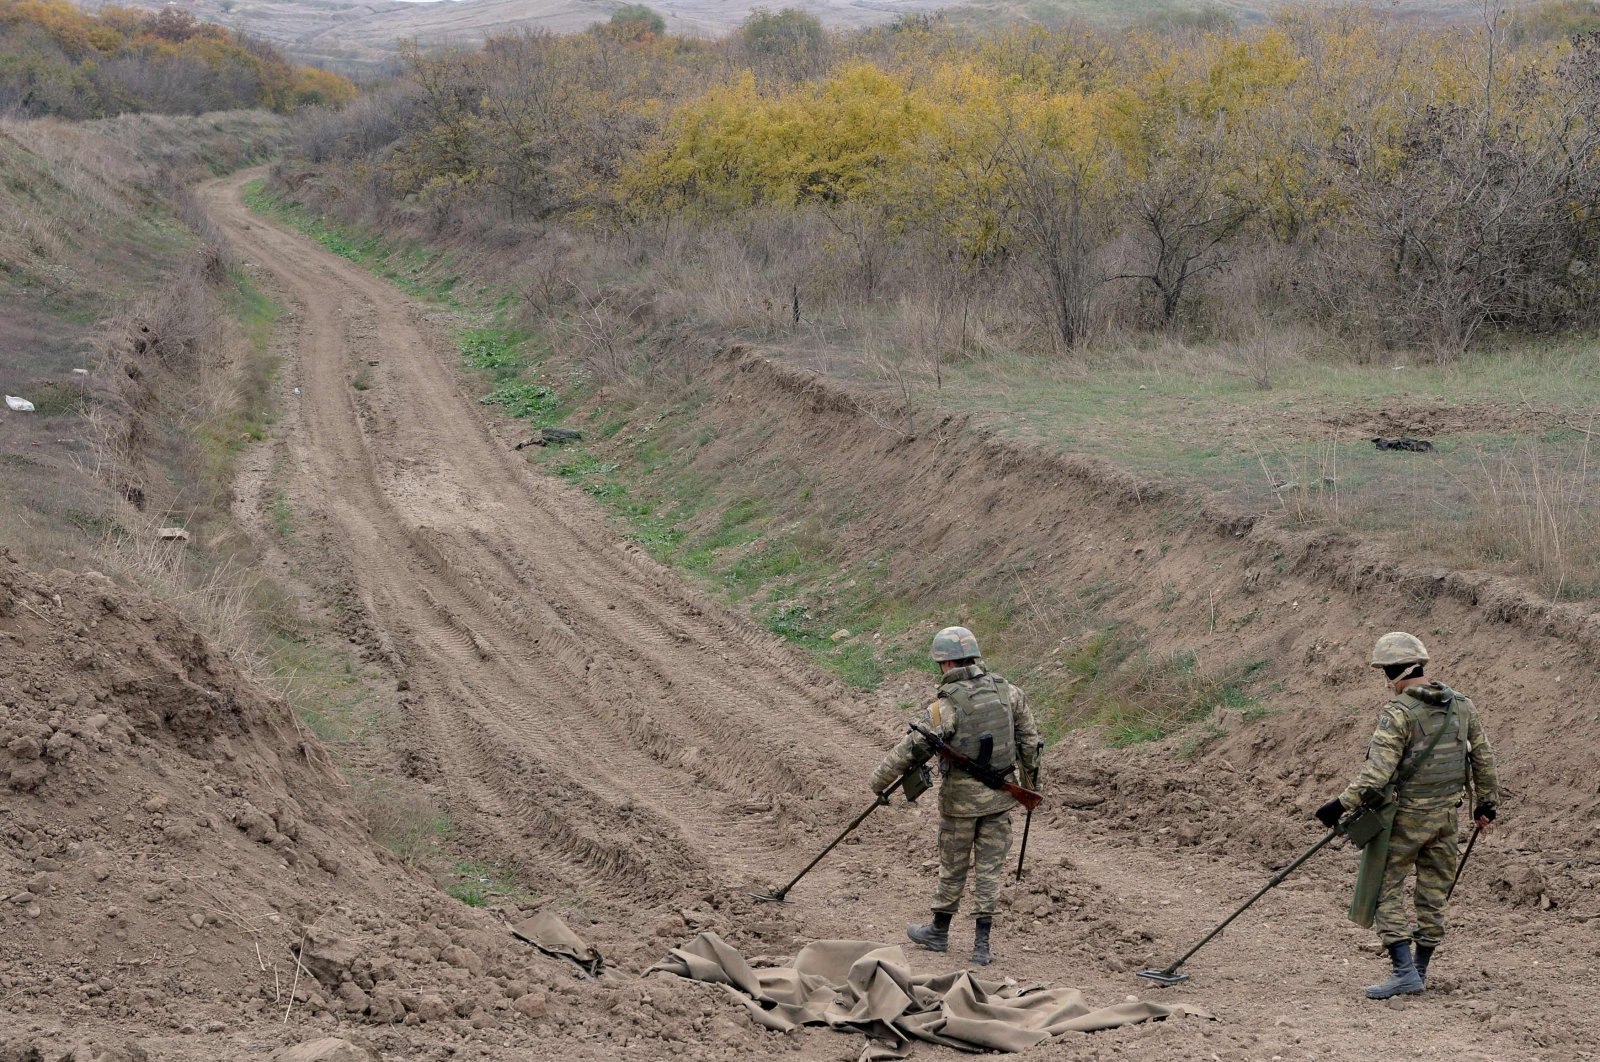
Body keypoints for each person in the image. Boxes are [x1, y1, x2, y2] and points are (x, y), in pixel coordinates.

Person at [1314, 632, 1499, 999]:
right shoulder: (1462, 705)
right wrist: (1486, 805)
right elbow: (1483, 759)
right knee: (1434, 894)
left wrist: (1338, 805)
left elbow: (1375, 776)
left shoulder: (1398, 713)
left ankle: (1403, 971)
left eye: (1385, 672)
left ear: (1393, 672)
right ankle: (1420, 968)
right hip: (1447, 819)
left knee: (1384, 888)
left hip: (1405, 821)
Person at [869, 626, 1042, 967]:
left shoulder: (943, 708)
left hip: (959, 805)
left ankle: (938, 932)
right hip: (1001, 800)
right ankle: (982, 945)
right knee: (991, 870)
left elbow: (910, 750)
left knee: (953, 868)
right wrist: (1031, 786)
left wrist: (879, 781)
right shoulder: (1010, 693)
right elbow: (1029, 745)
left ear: (946, 665)